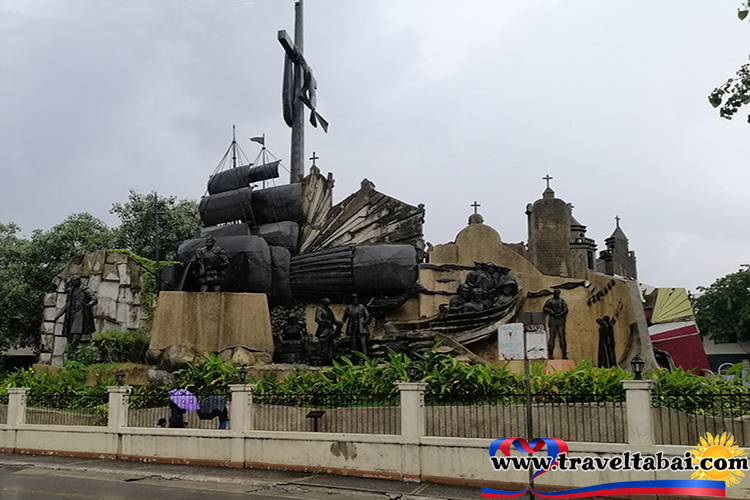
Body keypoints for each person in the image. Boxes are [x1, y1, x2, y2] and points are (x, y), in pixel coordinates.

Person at [54, 276, 98, 351]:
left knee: (76, 333)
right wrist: (58, 316)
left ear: (78, 281)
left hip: (80, 313)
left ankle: (73, 351)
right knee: (69, 336)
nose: (73, 283)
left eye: (75, 281)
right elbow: (67, 304)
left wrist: (88, 305)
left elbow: (94, 299)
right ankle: (71, 354)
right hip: (70, 315)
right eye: (72, 281)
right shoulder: (70, 291)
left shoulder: (85, 289)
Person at [543, 290, 569, 359]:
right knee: (552, 337)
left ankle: (564, 354)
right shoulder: (550, 301)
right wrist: (551, 312)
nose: (558, 294)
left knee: (562, 337)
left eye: (558, 293)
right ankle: (550, 354)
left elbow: (566, 310)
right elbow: (545, 308)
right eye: (556, 293)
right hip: (553, 320)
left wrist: (560, 314)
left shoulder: (562, 301)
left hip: (560, 320)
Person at [315, 298, 341, 364]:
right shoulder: (319, 309)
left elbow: (333, 320)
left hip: (330, 329)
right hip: (323, 329)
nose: (328, 305)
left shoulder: (329, 310)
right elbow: (318, 319)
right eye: (327, 303)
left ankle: (330, 359)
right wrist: (324, 323)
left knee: (330, 344)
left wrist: (338, 323)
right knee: (321, 343)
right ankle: (318, 358)